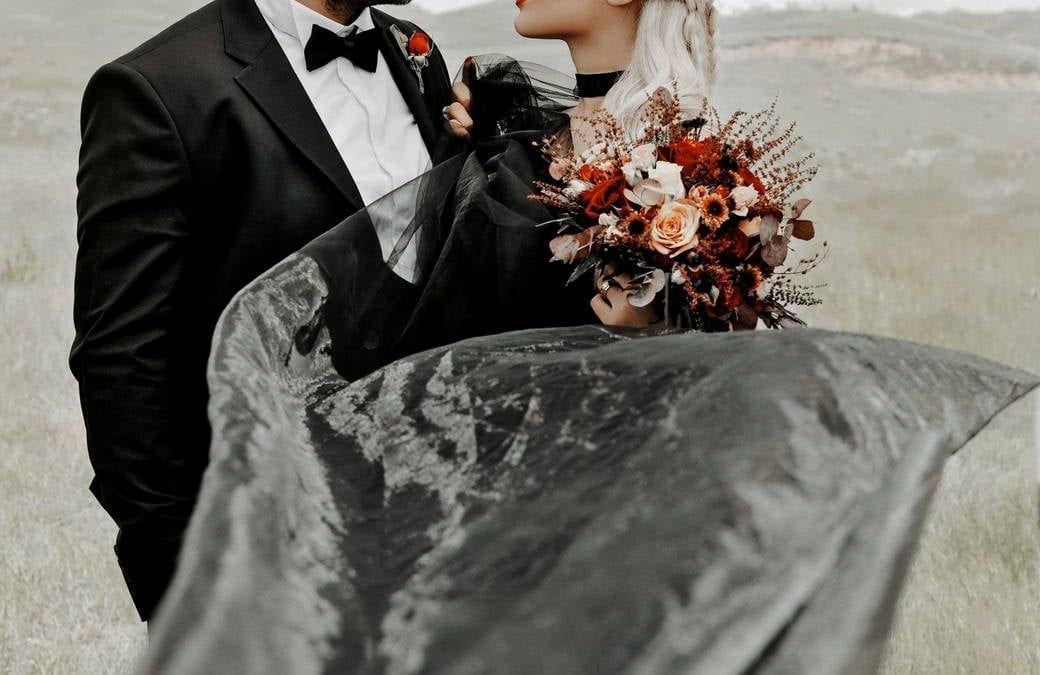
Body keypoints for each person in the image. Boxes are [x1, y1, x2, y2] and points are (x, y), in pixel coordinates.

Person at [69, 0, 460, 623]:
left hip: (429, 528)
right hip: (268, 542)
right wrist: (181, 580)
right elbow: (122, 359)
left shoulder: (414, 51)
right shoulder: (158, 88)